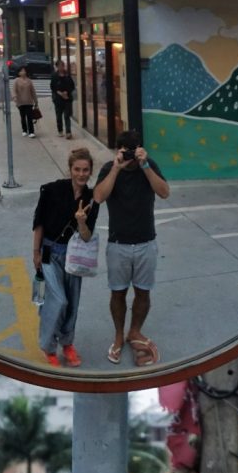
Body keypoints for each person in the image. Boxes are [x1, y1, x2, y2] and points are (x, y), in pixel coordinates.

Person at [93, 129, 170, 367]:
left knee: (143, 292)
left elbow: (164, 192)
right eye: (124, 151)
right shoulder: (109, 168)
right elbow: (98, 196)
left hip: (146, 241)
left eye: (132, 151)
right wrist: (116, 167)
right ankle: (118, 336)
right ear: (118, 150)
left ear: (139, 150)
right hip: (118, 244)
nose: (129, 157)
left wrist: (145, 165)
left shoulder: (149, 165)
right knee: (117, 292)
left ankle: (134, 331)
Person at [32, 148, 99, 367]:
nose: (81, 174)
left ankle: (67, 344)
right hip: (50, 253)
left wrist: (81, 221)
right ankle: (48, 346)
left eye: (85, 170)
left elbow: (87, 236)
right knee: (57, 301)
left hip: (74, 256)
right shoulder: (52, 190)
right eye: (77, 169)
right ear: (70, 169)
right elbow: (39, 222)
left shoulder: (91, 199)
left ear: (90, 172)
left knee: (72, 303)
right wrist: (36, 252)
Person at [51, 60, 75, 139]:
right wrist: (59, 93)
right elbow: (52, 87)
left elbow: (72, 86)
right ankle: (60, 131)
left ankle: (68, 132)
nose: (61, 67)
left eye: (62, 66)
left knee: (67, 116)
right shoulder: (54, 76)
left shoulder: (67, 75)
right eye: (60, 66)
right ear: (57, 67)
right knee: (59, 116)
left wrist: (66, 92)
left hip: (67, 98)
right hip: (58, 99)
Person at [12, 66, 37, 137]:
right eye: (21, 71)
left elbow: (33, 91)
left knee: (29, 117)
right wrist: (15, 97)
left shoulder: (29, 81)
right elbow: (13, 90)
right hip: (20, 102)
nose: (23, 72)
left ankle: (31, 132)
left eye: (24, 71)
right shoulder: (16, 80)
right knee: (23, 117)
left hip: (29, 102)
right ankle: (24, 130)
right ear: (19, 73)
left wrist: (36, 101)